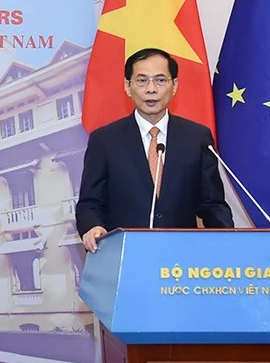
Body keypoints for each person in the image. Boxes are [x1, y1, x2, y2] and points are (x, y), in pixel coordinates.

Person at [75, 47, 232, 252]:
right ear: (128, 86)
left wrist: (229, 243)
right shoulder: (104, 140)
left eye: (160, 80)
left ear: (174, 85)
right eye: (142, 80)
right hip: (126, 254)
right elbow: (90, 203)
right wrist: (93, 226)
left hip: (182, 256)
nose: (151, 89)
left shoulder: (196, 137)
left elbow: (212, 204)